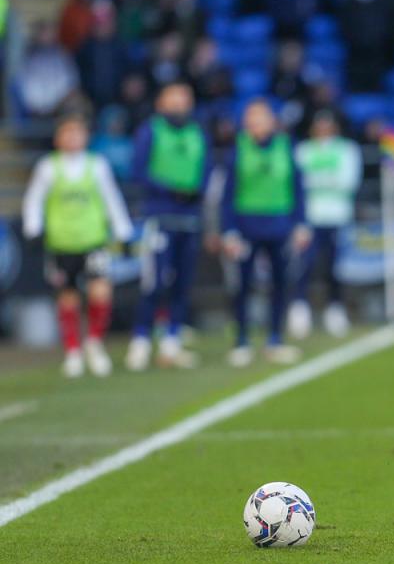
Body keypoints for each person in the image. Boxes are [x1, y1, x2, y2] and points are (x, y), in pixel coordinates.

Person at [22, 114, 133, 377]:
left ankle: (94, 343)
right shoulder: (48, 167)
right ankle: (73, 351)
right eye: (67, 133)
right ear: (58, 138)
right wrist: (33, 229)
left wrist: (123, 231)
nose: (72, 138)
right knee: (67, 297)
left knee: (100, 292)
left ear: (85, 137)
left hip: (93, 240)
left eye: (77, 133)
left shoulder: (97, 166)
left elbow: (111, 199)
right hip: (62, 243)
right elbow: (34, 200)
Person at [126, 83, 211, 371]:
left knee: (183, 283)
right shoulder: (150, 131)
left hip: (189, 219)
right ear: (161, 103)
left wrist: (194, 191)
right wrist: (171, 190)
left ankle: (171, 341)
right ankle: (140, 340)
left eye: (184, 99)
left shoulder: (198, 134)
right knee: (154, 281)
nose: (179, 105)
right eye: (173, 99)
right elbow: (138, 171)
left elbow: (206, 170)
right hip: (159, 217)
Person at [220, 100, 310, 367]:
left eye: (260, 118)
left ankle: (275, 339)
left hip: (280, 225)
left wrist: (301, 224)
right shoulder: (238, 149)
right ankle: (242, 341)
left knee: (280, 283)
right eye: (251, 119)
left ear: (271, 121)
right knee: (242, 285)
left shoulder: (286, 146)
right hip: (247, 226)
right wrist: (229, 230)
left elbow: (297, 188)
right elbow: (227, 194)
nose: (255, 124)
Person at [289, 110, 362, 339]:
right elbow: (296, 185)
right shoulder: (303, 150)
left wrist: (315, 180)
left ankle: (335, 309)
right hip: (308, 219)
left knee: (335, 267)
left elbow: (348, 182)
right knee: (304, 266)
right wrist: (327, 179)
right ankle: (300, 309)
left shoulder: (347, 149)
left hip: (338, 217)